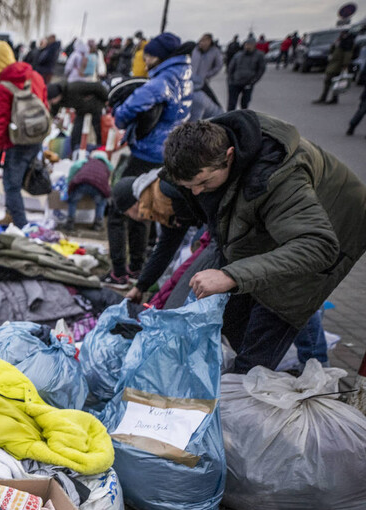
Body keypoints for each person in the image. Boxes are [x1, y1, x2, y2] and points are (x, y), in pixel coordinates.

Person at [162, 113, 366, 373]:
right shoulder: (199, 152)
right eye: (188, 186)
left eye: (203, 182)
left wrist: (230, 274)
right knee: (233, 318)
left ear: (230, 156)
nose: (197, 192)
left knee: (265, 333)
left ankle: (273, 376)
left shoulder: (278, 177)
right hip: (280, 228)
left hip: (330, 228)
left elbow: (318, 246)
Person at [107, 32, 193, 283]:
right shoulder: (185, 75)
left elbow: (128, 110)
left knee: (119, 207)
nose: (145, 63)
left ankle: (118, 273)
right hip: (167, 152)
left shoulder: (161, 81)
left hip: (147, 152)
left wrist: (119, 115)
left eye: (149, 57)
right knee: (143, 208)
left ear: (160, 57)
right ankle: (136, 268)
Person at [109, 169, 203, 304]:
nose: (131, 218)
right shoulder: (163, 211)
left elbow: (204, 198)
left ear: (133, 204)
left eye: (127, 214)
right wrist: (140, 287)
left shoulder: (164, 186)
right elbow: (165, 249)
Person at [0, 40, 48, 229]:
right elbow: (45, 105)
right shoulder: (35, 76)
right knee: (20, 178)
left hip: (17, 142)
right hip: (36, 137)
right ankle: (10, 216)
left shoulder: (3, 87)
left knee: (11, 185)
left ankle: (22, 227)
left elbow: (2, 122)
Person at [47, 80, 109, 155]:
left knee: (99, 132)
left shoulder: (74, 87)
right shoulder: (58, 101)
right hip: (81, 111)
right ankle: (75, 152)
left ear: (58, 95)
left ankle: (102, 150)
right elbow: (54, 110)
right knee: (76, 135)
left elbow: (97, 86)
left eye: (52, 100)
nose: (52, 102)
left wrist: (106, 99)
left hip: (95, 106)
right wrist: (52, 119)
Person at [63, 149, 112, 231]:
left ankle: (70, 223)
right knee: (101, 203)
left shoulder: (86, 161)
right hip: (98, 187)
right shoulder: (106, 167)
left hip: (82, 182)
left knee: (73, 201)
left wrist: (69, 184)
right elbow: (106, 183)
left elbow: (74, 167)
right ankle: (98, 224)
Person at [314, 32, 354, 105]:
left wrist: (345, 65)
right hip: (334, 63)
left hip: (338, 65)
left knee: (331, 81)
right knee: (331, 81)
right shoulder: (340, 43)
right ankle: (331, 98)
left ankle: (328, 98)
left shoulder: (348, 44)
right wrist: (335, 44)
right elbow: (332, 50)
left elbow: (347, 56)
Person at [226, 40, 266, 110]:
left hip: (248, 83)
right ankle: (228, 119)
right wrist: (230, 79)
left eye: (250, 45)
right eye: (247, 45)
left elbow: (261, 69)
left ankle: (242, 119)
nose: (248, 46)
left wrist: (253, 81)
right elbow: (231, 67)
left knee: (245, 104)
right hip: (235, 82)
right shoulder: (238, 55)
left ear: (254, 46)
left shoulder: (259, 55)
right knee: (231, 104)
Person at [191, 33, 224, 106]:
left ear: (210, 41)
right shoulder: (195, 50)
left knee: (208, 98)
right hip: (192, 78)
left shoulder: (215, 51)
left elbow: (219, 65)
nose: (203, 42)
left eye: (205, 40)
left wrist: (208, 74)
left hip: (203, 80)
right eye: (202, 40)